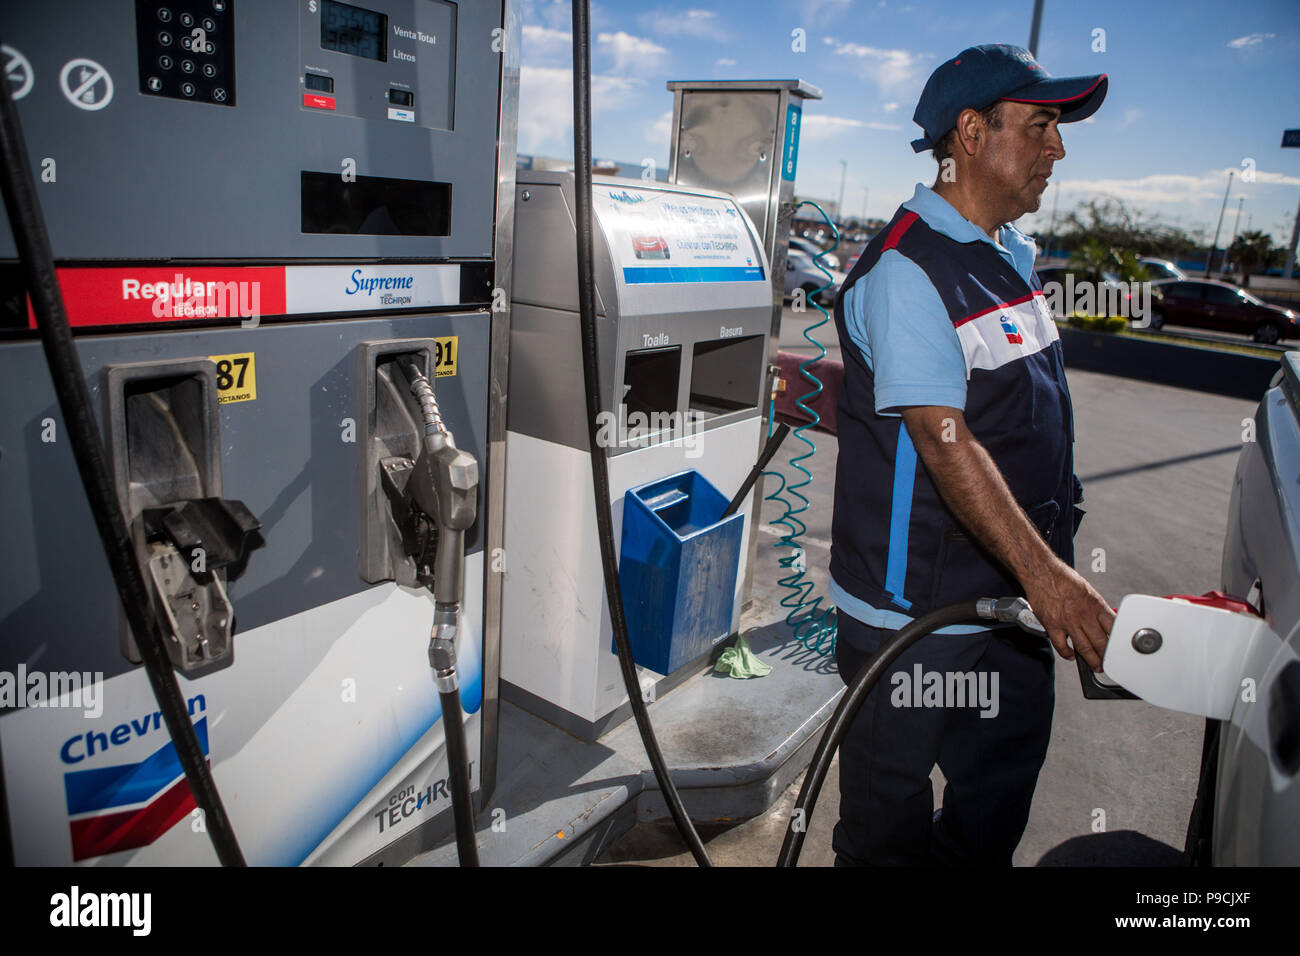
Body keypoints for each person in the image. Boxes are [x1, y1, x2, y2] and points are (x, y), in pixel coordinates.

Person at [828, 43, 1114, 866]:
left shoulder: (1012, 260)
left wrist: (1042, 571)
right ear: (970, 133)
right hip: (917, 620)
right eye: (1040, 126)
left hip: (1013, 608)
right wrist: (1053, 579)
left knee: (995, 801)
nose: (1056, 149)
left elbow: (1027, 425)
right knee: (888, 832)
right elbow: (944, 443)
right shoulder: (909, 270)